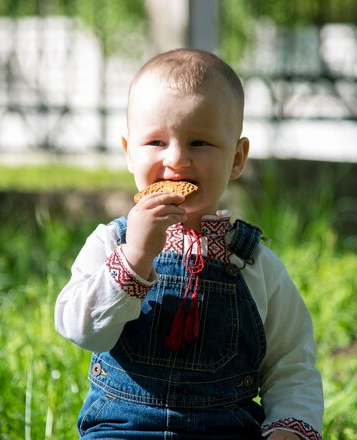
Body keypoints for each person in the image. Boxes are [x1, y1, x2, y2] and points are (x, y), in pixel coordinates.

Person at [55, 48, 323, 440]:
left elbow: (291, 363)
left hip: (225, 429)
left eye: (199, 142)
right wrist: (135, 258)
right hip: (122, 429)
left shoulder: (254, 263)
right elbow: (80, 329)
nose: (177, 160)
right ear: (129, 153)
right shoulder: (112, 242)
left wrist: (289, 427)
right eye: (156, 142)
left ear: (237, 158)